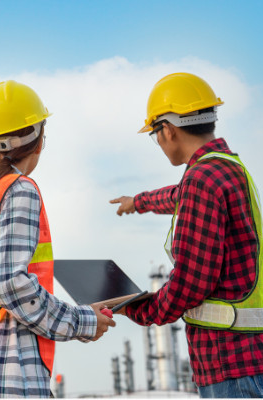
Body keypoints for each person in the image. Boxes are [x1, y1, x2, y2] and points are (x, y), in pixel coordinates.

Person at [0, 80, 115, 398]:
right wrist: (82, 321)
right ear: (39, 139)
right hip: (8, 374)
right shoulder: (18, 190)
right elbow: (8, 283)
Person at [110, 72, 263, 398]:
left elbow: (190, 284)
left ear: (167, 129)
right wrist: (136, 202)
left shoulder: (202, 179)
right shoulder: (227, 168)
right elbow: (179, 196)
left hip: (229, 364)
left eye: (156, 134)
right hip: (248, 360)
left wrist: (132, 308)